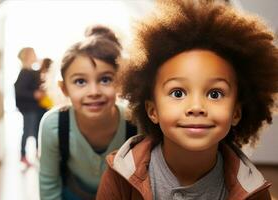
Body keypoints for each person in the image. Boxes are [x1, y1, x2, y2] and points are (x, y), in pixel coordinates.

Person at [96, 0, 278, 199]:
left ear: (236, 112)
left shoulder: (253, 191)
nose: (196, 107)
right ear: (152, 110)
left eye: (215, 94)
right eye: (178, 93)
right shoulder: (120, 176)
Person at [39, 25, 136, 200]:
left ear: (120, 82)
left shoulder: (134, 122)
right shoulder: (53, 124)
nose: (93, 91)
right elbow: (49, 185)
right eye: (80, 81)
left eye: (105, 79)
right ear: (64, 88)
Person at [14, 47, 47, 166]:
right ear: (28, 56)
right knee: (27, 131)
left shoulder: (32, 71)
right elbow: (19, 91)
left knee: (36, 130)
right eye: (33, 53)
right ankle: (23, 155)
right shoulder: (24, 72)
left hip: (34, 108)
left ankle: (37, 153)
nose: (36, 55)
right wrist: (34, 94)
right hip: (28, 108)